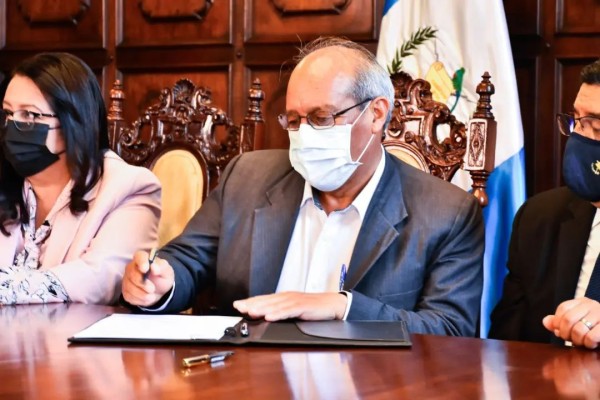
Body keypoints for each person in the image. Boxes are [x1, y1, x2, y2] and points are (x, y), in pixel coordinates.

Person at [122, 37, 484, 336]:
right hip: (248, 378)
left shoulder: (446, 214)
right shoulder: (246, 177)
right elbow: (187, 260)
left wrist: (342, 306)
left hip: (367, 384)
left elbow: (450, 329)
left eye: (321, 118)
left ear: (376, 114)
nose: (305, 134)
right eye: (294, 120)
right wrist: (160, 284)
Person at [0, 52, 161, 305]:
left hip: (73, 330)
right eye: (8, 113)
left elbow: (99, 280)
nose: (12, 126)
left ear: (73, 122)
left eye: (29, 115)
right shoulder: (9, 180)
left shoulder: (128, 187)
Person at [489, 59, 600, 348]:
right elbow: (506, 342)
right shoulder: (539, 217)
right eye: (577, 121)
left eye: (597, 127)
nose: (579, 139)